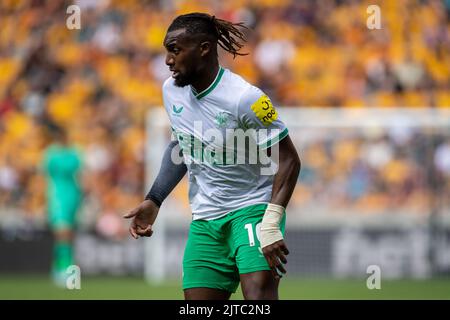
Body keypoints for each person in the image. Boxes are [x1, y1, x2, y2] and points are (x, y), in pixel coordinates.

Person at [124, 12, 301, 300]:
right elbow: (182, 146)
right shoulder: (171, 91)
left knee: (258, 298)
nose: (168, 60)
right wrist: (154, 198)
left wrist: (270, 222)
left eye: (175, 50)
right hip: (205, 219)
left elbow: (290, 159)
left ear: (204, 48)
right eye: (167, 51)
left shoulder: (246, 98)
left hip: (252, 210)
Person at [42, 125, 83, 286]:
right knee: (62, 232)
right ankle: (61, 270)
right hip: (58, 196)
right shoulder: (51, 154)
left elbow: (81, 175)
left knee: (69, 235)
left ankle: (68, 271)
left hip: (73, 195)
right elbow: (45, 177)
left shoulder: (74, 152)